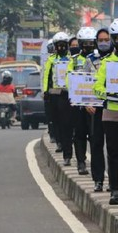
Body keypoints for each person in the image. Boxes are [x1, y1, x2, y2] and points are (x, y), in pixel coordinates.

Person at [93, 18, 118, 205]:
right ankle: (115, 190)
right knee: (115, 155)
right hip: (112, 115)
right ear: (113, 40)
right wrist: (111, 94)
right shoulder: (107, 63)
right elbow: (97, 88)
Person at [84, 28, 112, 192]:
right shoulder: (90, 60)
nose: (103, 43)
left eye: (106, 39)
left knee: (112, 146)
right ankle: (98, 180)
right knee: (96, 144)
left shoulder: (116, 59)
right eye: (100, 40)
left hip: (112, 107)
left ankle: (112, 181)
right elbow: (83, 82)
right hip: (95, 108)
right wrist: (87, 103)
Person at [67, 26, 97, 175]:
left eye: (91, 43)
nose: (88, 46)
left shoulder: (99, 60)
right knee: (79, 134)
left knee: (95, 136)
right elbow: (69, 80)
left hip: (96, 104)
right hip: (78, 105)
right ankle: (81, 162)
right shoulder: (74, 60)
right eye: (84, 43)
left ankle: (97, 165)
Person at [43, 32, 73, 165]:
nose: (61, 48)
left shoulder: (72, 58)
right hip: (55, 94)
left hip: (68, 95)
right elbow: (46, 76)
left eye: (63, 45)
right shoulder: (51, 59)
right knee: (57, 122)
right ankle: (61, 144)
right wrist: (45, 91)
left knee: (68, 125)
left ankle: (69, 153)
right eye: (58, 45)